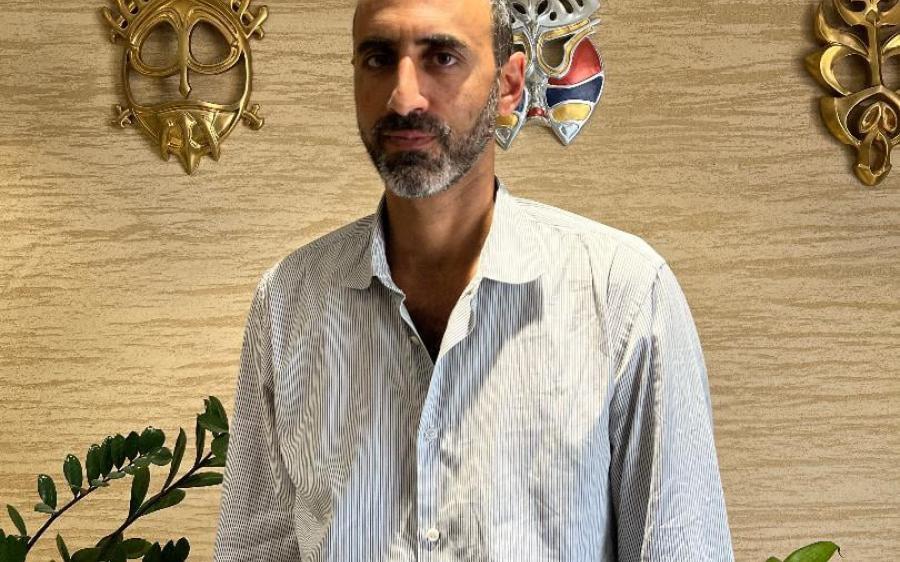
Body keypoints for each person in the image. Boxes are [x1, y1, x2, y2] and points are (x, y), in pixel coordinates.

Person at [213, 0, 735, 560]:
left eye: (442, 57)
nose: (403, 98)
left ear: (508, 85)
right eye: (379, 58)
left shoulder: (623, 294)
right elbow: (255, 549)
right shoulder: (288, 301)